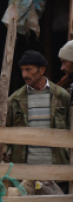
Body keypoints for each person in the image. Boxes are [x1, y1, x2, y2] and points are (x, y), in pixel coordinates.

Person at [6, 50, 70, 192]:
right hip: (25, 174)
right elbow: (5, 135)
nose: (24, 75)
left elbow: (69, 128)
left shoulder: (62, 96)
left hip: (56, 171)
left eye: (28, 70)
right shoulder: (14, 100)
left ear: (42, 70)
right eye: (22, 70)